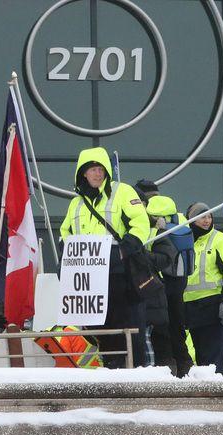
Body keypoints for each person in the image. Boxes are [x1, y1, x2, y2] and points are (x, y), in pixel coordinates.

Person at [58, 147, 152, 368]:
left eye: (100, 169)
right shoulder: (76, 203)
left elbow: (141, 223)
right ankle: (111, 369)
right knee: (101, 331)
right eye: (92, 170)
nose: (97, 174)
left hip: (121, 273)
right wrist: (65, 260)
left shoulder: (123, 192)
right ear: (83, 173)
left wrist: (122, 251)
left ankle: (135, 376)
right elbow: (65, 233)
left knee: (129, 328)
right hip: (90, 279)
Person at [183, 204, 223, 373]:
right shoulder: (184, 239)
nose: (207, 220)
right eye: (202, 216)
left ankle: (217, 396)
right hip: (191, 310)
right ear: (191, 219)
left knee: (214, 362)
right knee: (201, 359)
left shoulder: (220, 240)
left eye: (209, 216)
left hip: (215, 308)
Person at [146, 195, 194, 377]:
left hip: (160, 281)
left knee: (161, 326)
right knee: (177, 325)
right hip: (179, 282)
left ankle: (167, 366)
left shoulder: (154, 229)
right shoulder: (182, 222)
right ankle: (185, 365)